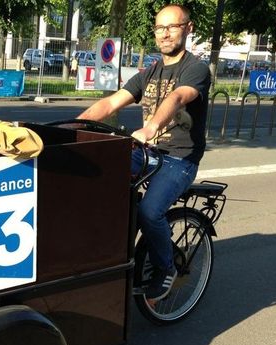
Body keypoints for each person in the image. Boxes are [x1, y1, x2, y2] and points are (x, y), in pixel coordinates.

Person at [77, 4, 211, 301]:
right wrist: (73, 128)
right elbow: (110, 104)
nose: (164, 33)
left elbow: (178, 96)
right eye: (159, 28)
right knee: (99, 175)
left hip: (179, 158)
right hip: (147, 152)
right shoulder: (149, 72)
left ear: (188, 29)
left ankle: (166, 269)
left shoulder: (196, 69)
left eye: (172, 27)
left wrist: (150, 128)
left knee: (151, 211)